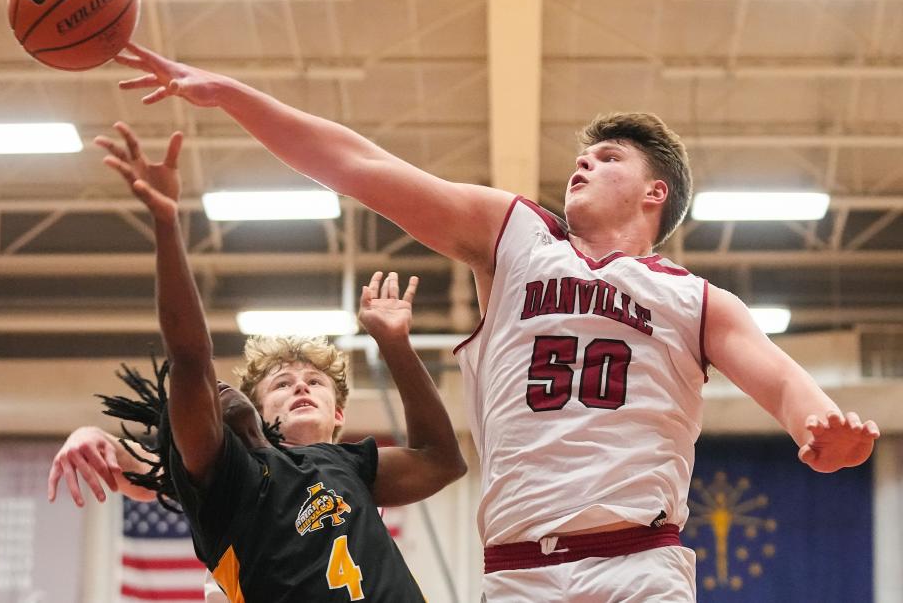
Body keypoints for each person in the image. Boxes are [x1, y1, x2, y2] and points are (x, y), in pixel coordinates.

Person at [111, 43, 880, 601]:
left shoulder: (697, 298)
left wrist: (821, 425)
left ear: (656, 193)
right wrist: (237, 96)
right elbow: (362, 165)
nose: (582, 163)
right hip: (518, 570)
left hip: (638, 562)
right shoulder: (514, 236)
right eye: (583, 155)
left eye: (607, 157)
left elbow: (780, 377)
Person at [48, 122, 466, 601]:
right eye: (282, 383)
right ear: (261, 412)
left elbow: (442, 462)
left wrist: (394, 344)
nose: (301, 387)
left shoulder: (345, 464)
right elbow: (187, 366)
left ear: (339, 415)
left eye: (314, 381)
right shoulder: (230, 474)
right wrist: (95, 437)